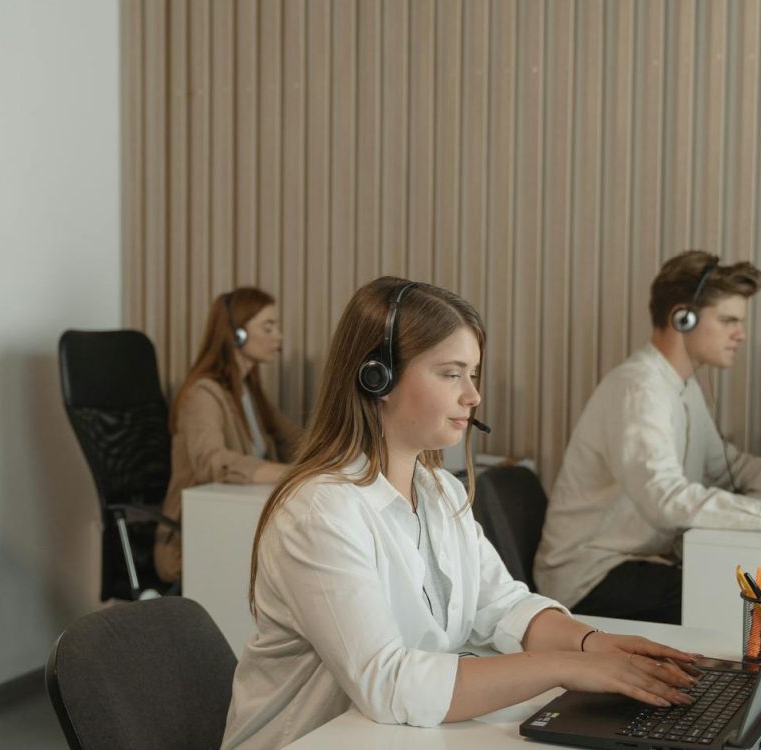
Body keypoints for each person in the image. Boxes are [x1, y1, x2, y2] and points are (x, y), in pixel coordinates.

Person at [222, 277, 699, 750]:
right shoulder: (321, 510)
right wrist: (569, 668)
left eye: (473, 374)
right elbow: (388, 684)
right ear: (377, 377)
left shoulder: (438, 490)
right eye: (451, 373)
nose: (472, 396)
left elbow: (502, 605)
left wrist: (594, 645)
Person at [535, 251, 761, 624]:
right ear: (682, 318)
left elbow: (729, 467)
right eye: (729, 320)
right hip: (591, 577)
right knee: (744, 608)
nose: (741, 334)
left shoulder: (682, 386)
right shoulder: (639, 389)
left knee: (756, 597)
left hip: (636, 563)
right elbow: (665, 501)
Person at [154, 287, 301, 583]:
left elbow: (292, 438)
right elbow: (213, 461)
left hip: (235, 524)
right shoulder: (203, 393)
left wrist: (334, 457)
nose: (279, 337)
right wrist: (289, 473)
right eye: (268, 327)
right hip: (193, 538)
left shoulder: (249, 391)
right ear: (237, 335)